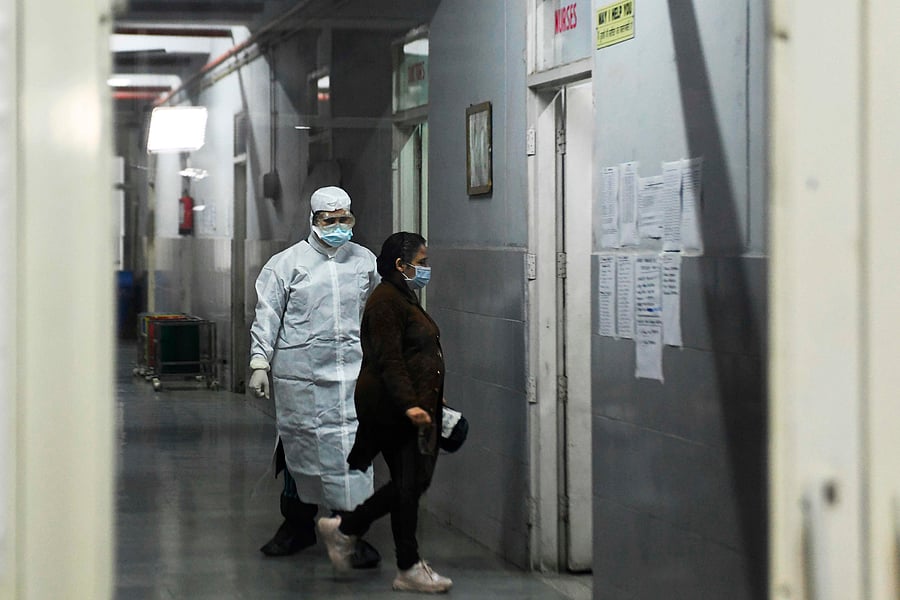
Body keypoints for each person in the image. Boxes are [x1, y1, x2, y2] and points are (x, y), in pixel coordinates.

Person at [248, 186, 380, 567]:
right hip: (301, 379)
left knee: (353, 456)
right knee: (298, 449)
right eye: (329, 220)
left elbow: (375, 315)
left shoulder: (364, 262)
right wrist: (260, 363)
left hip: (352, 377)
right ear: (313, 220)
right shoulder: (287, 264)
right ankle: (297, 526)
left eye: (345, 219)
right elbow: (268, 315)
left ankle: (351, 533)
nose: (338, 227)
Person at [317, 232, 452, 593]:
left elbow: (415, 357)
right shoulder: (384, 303)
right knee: (409, 484)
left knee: (411, 483)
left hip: (410, 406)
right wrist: (409, 404)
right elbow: (389, 360)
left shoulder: (402, 296)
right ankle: (394, 558)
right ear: (400, 265)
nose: (425, 269)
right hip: (391, 409)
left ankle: (351, 532)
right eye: (421, 263)